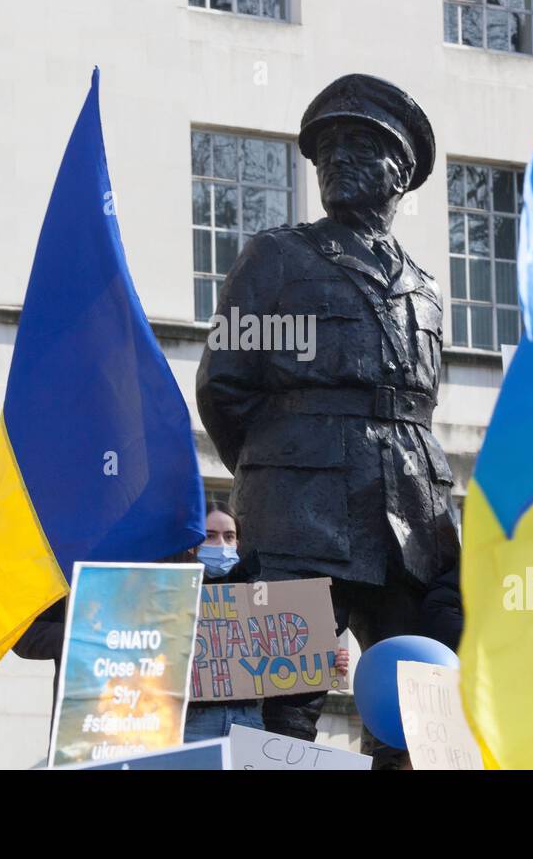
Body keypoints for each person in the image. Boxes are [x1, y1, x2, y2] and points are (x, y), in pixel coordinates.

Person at [196, 74, 460, 767]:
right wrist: (275, 471)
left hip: (411, 518)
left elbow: (421, 406)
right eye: (326, 150)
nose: (336, 159)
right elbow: (225, 388)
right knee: (278, 710)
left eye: (358, 146)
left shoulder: (427, 289)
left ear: (400, 172)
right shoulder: (277, 256)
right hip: (295, 510)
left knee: (419, 712)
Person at [182, 502, 349, 742]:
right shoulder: (173, 598)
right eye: (210, 536)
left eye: (229, 537)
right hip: (193, 724)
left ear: (238, 544)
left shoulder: (261, 601)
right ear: (193, 545)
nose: (221, 544)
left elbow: (288, 692)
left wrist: (326, 665)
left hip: (248, 723)